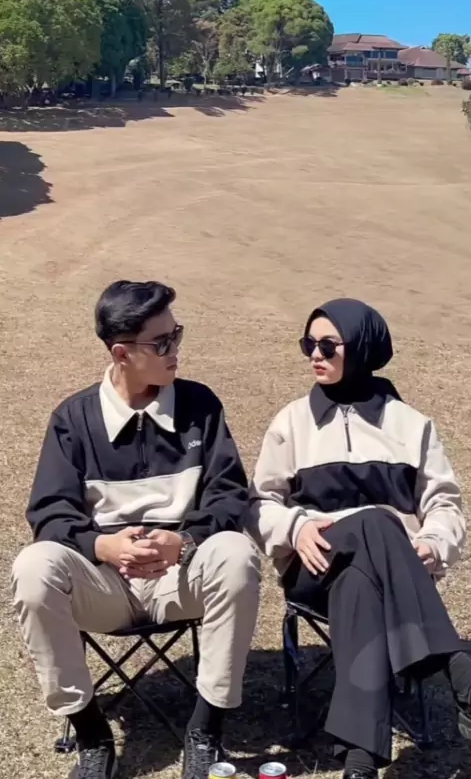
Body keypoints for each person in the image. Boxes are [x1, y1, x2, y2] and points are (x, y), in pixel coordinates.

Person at [12, 280, 261, 779]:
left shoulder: (200, 406)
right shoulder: (74, 419)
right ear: (122, 354)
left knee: (236, 553)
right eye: (162, 342)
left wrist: (184, 541)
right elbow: (50, 512)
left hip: (182, 577)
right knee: (33, 567)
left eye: (176, 334)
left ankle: (205, 732)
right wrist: (101, 545)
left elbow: (230, 493)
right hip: (105, 585)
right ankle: (91, 735)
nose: (176, 350)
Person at [248, 298, 471, 779]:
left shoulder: (411, 425)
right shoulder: (291, 422)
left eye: (328, 345)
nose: (315, 354)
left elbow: (444, 504)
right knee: (375, 520)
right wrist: (295, 527)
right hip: (313, 567)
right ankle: (457, 666)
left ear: (362, 348)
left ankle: (360, 762)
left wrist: (432, 543)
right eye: (308, 344)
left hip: (391, 578)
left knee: (361, 583)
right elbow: (259, 503)